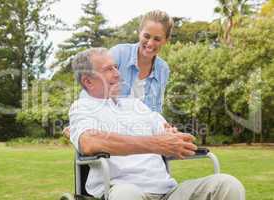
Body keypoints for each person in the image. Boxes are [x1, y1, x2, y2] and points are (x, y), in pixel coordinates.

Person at [69, 47, 245, 200]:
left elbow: (168, 134)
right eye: (108, 69)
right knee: (126, 195)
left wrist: (174, 139)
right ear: (88, 81)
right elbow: (89, 142)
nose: (117, 73)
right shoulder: (82, 107)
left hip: (167, 191)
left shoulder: (136, 105)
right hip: (124, 189)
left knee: (228, 185)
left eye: (116, 67)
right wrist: (156, 144)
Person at [109, 10, 173, 113]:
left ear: (165, 40)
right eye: (146, 36)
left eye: (157, 39)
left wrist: (163, 126)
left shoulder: (163, 69)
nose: (150, 43)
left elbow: (155, 110)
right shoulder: (118, 54)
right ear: (139, 33)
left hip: (141, 127)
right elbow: (94, 93)